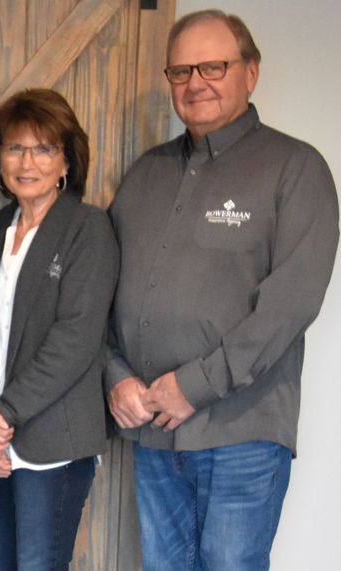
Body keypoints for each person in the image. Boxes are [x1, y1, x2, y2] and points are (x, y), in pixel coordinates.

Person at [107, 10, 339, 570]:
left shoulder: (296, 168)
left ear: (250, 73)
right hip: (153, 438)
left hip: (242, 435)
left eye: (213, 66)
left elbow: (290, 305)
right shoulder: (145, 174)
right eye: (181, 71)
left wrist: (195, 385)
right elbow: (102, 293)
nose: (195, 83)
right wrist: (114, 379)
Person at [0, 89, 118, 570]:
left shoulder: (88, 230)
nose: (27, 162)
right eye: (14, 148)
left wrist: (4, 413)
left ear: (66, 160)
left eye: (44, 148)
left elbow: (76, 339)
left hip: (52, 442)